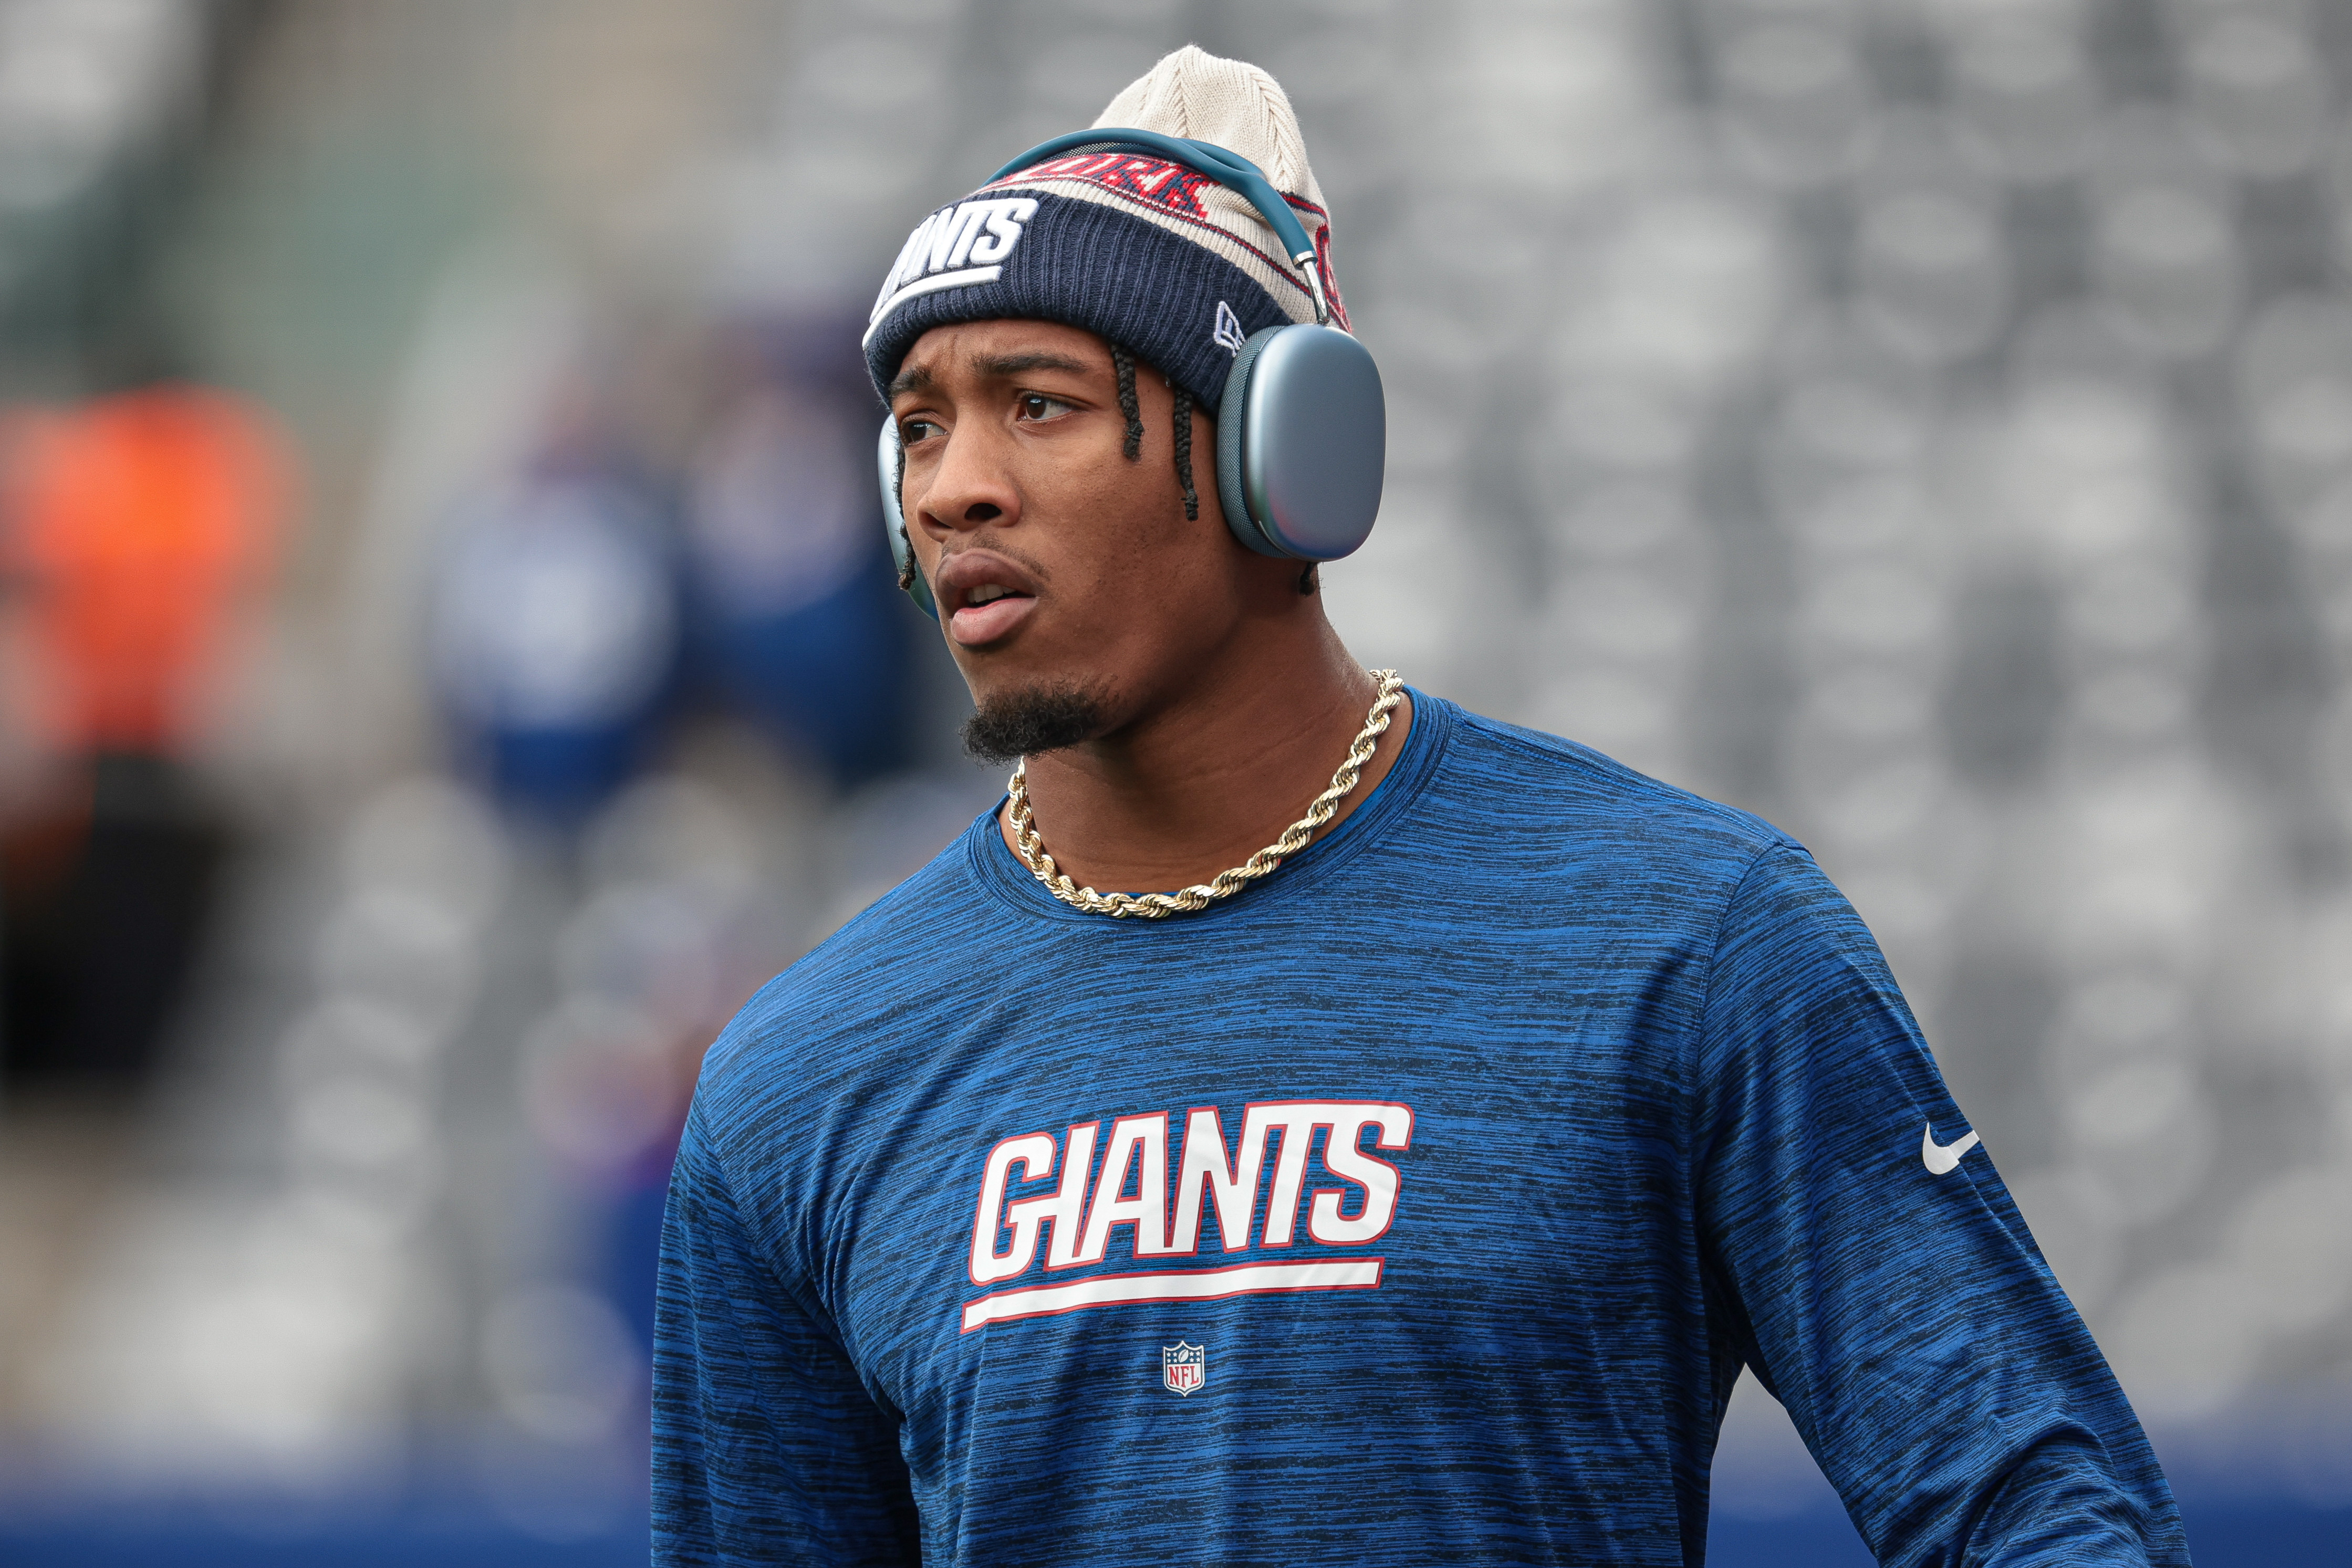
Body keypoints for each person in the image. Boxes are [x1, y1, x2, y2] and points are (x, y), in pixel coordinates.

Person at [654, 47, 2187, 1567]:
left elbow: (2038, 1508)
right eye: (919, 425)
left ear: (1280, 458)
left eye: (1038, 405)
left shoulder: (1683, 937)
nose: (952, 487)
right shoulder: (800, 1084)